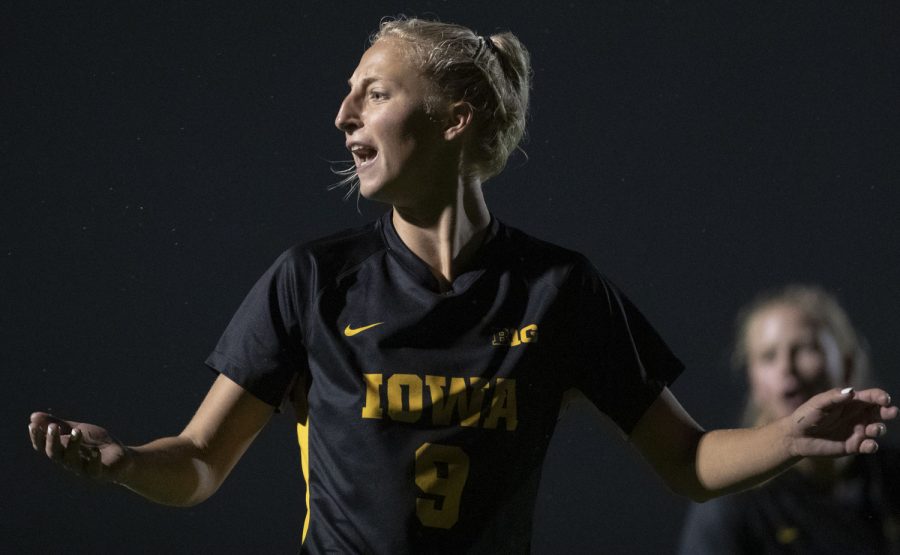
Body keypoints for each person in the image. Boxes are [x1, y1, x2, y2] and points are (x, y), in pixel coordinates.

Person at [28, 18, 896, 554]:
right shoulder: (314, 279)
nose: (343, 117)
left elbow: (687, 459)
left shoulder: (558, 288)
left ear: (453, 118)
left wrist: (787, 436)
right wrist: (127, 464)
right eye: (346, 96)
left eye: (371, 94)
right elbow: (203, 461)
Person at [678, 285, 900, 554]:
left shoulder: (889, 475)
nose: (786, 368)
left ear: (847, 364)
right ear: (752, 379)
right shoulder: (732, 500)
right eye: (768, 356)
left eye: (805, 348)